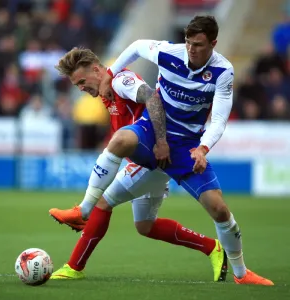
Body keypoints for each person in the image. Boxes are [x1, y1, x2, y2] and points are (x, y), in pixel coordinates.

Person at [54, 15, 274, 285]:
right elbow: (136, 46)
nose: (191, 49)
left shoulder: (222, 71)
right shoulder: (166, 54)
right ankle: (212, 248)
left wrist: (202, 148)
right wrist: (109, 75)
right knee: (144, 226)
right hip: (149, 143)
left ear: (213, 44)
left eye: (198, 44)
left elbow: (212, 117)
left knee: (218, 209)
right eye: (188, 42)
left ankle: (242, 274)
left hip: (169, 146)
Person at [50, 47, 227, 282]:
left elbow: (153, 97)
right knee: (145, 226)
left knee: (102, 203)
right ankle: (213, 248)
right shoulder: (106, 92)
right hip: (149, 159)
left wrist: (161, 141)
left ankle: (74, 265)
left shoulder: (122, 79)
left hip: (154, 156)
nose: (81, 88)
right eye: (76, 86)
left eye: (82, 81)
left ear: (96, 69)